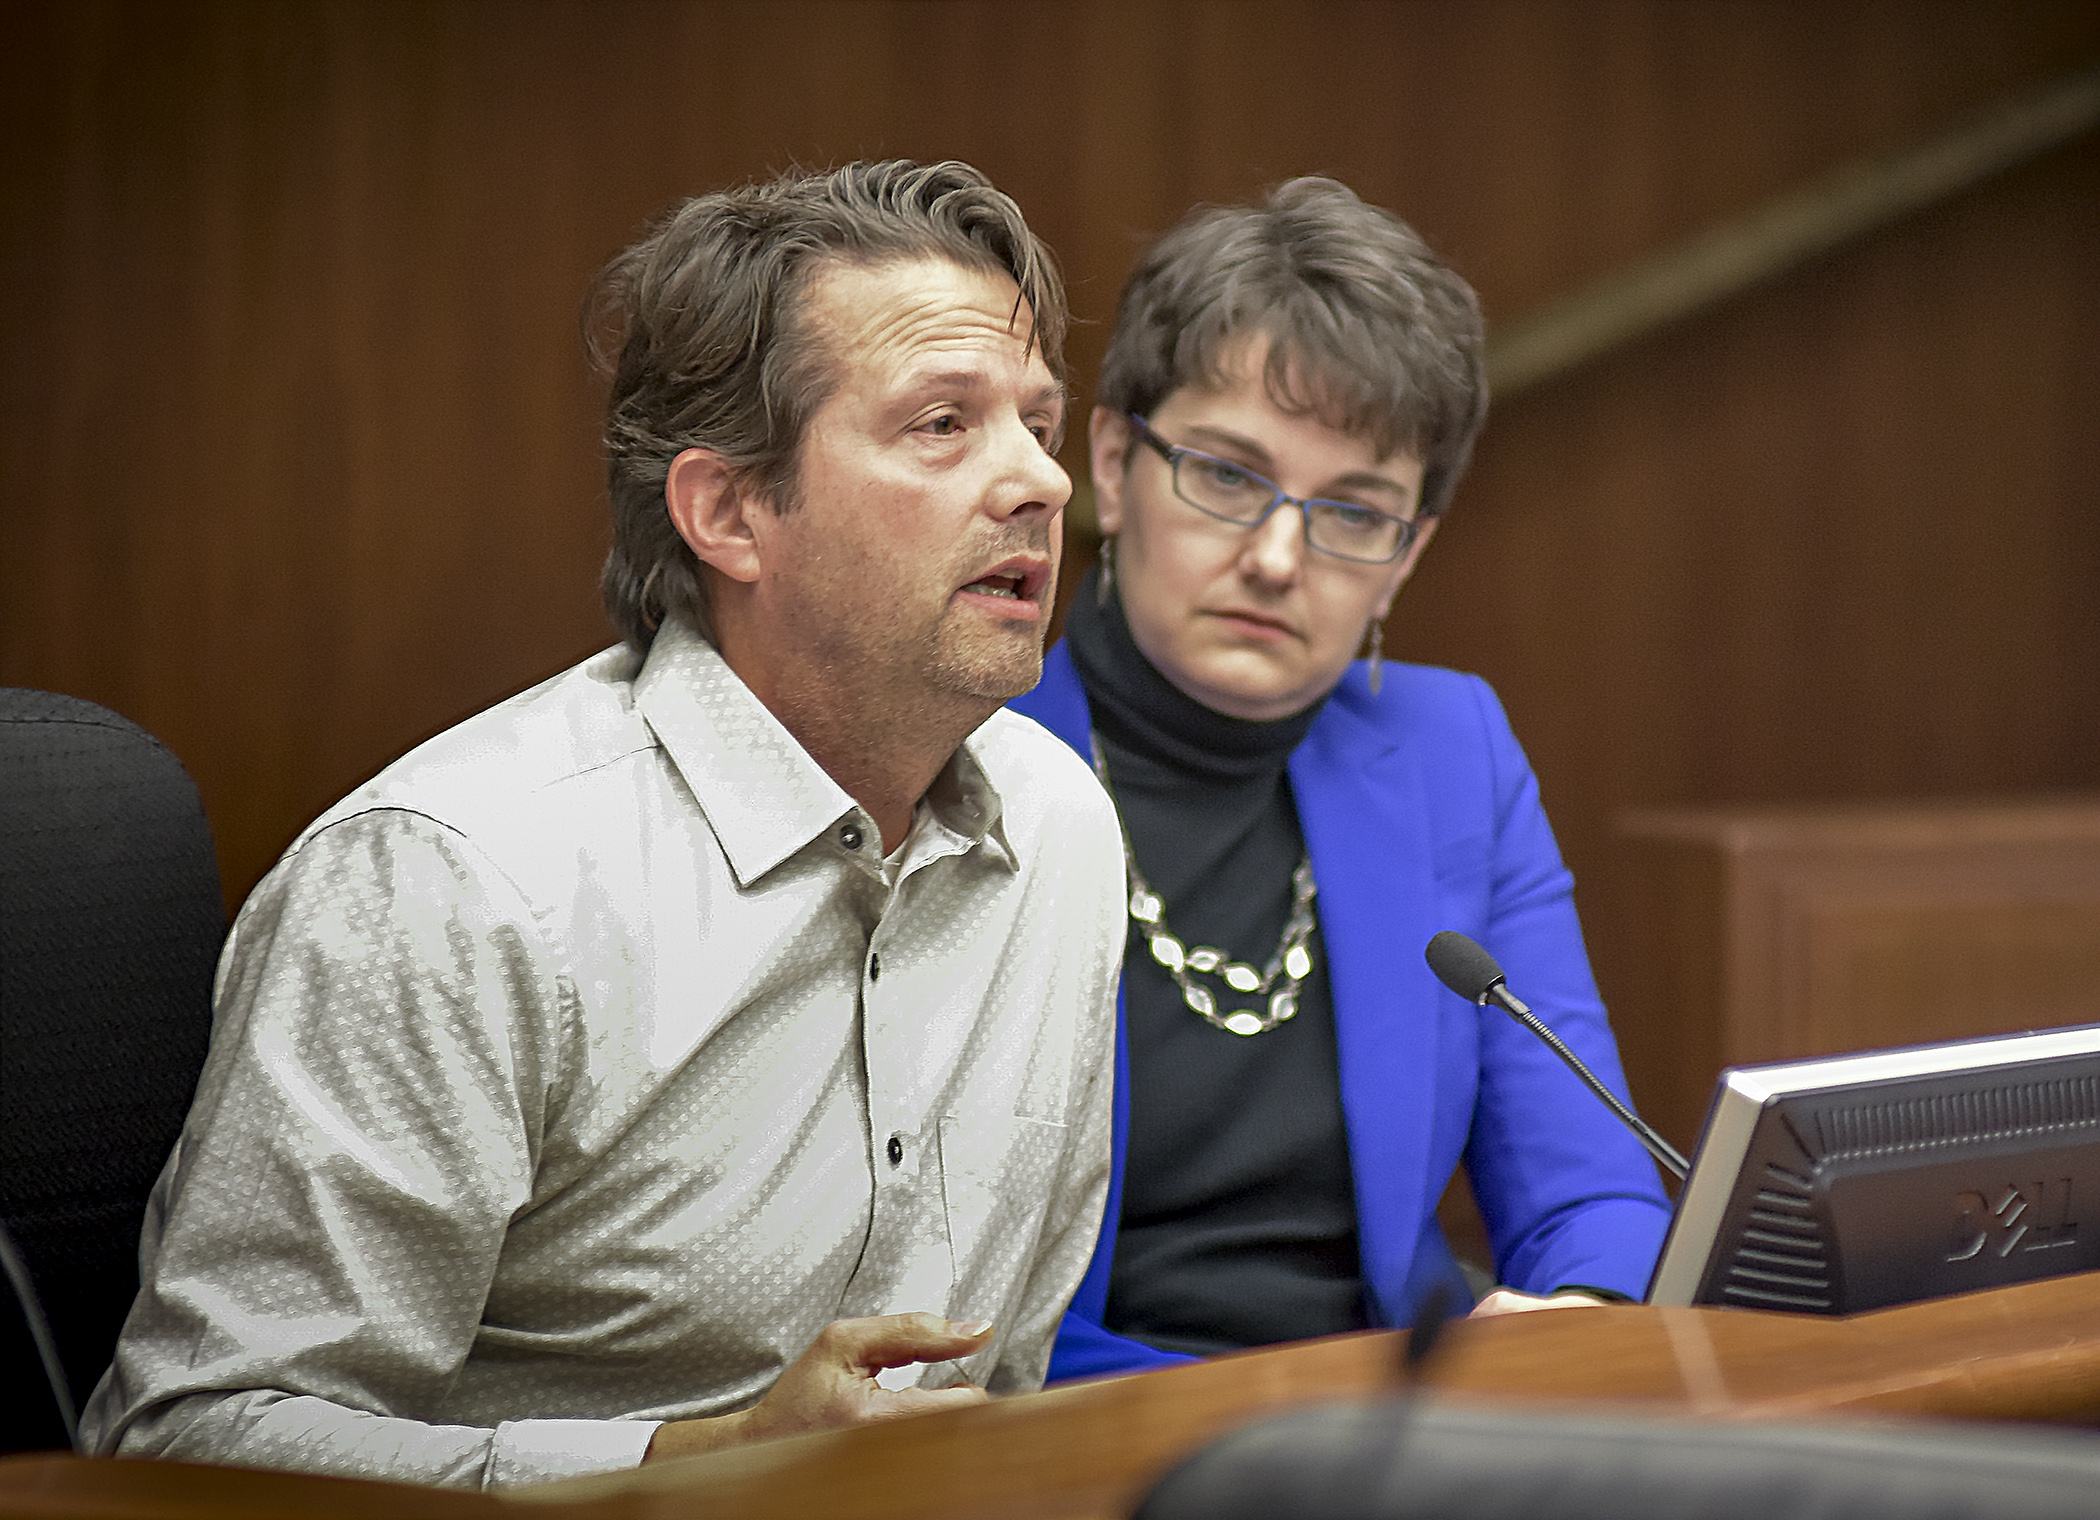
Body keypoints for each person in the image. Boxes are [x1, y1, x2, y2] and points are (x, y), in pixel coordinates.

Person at [80, 160, 1125, 1487]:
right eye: (941, 425)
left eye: (1038, 422)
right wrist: (699, 1460)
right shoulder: (450, 883)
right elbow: (188, 1450)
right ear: (729, 513)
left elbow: (995, 1391)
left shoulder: (1061, 833)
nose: (1037, 479)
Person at [1009, 178, 1672, 1381]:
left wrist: (1571, 1316)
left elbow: (1594, 1190)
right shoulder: (967, 760)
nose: (1274, 557)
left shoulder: (1449, 748)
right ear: (1113, 461)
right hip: (1077, 1436)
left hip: (1409, 1430)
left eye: (1352, 511)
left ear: (1407, 554)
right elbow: (947, 1317)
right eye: (1224, 475)